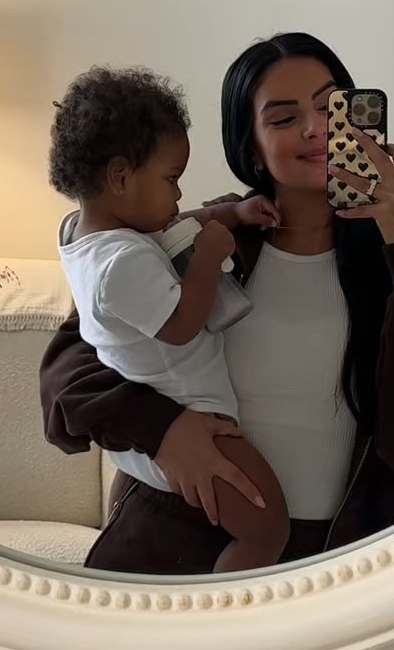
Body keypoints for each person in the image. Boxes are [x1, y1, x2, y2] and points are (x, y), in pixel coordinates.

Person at [40, 32, 394, 574]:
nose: (315, 128)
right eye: (284, 118)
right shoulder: (198, 239)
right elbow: (68, 370)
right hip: (174, 542)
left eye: (331, 107)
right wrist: (159, 429)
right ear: (251, 148)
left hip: (342, 564)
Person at [49, 64, 291, 572]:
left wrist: (232, 215)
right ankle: (226, 605)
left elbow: (174, 227)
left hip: (150, 430)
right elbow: (181, 326)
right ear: (120, 177)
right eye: (171, 179)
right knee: (268, 527)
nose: (179, 196)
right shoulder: (121, 264)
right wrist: (209, 258)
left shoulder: (86, 234)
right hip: (190, 416)